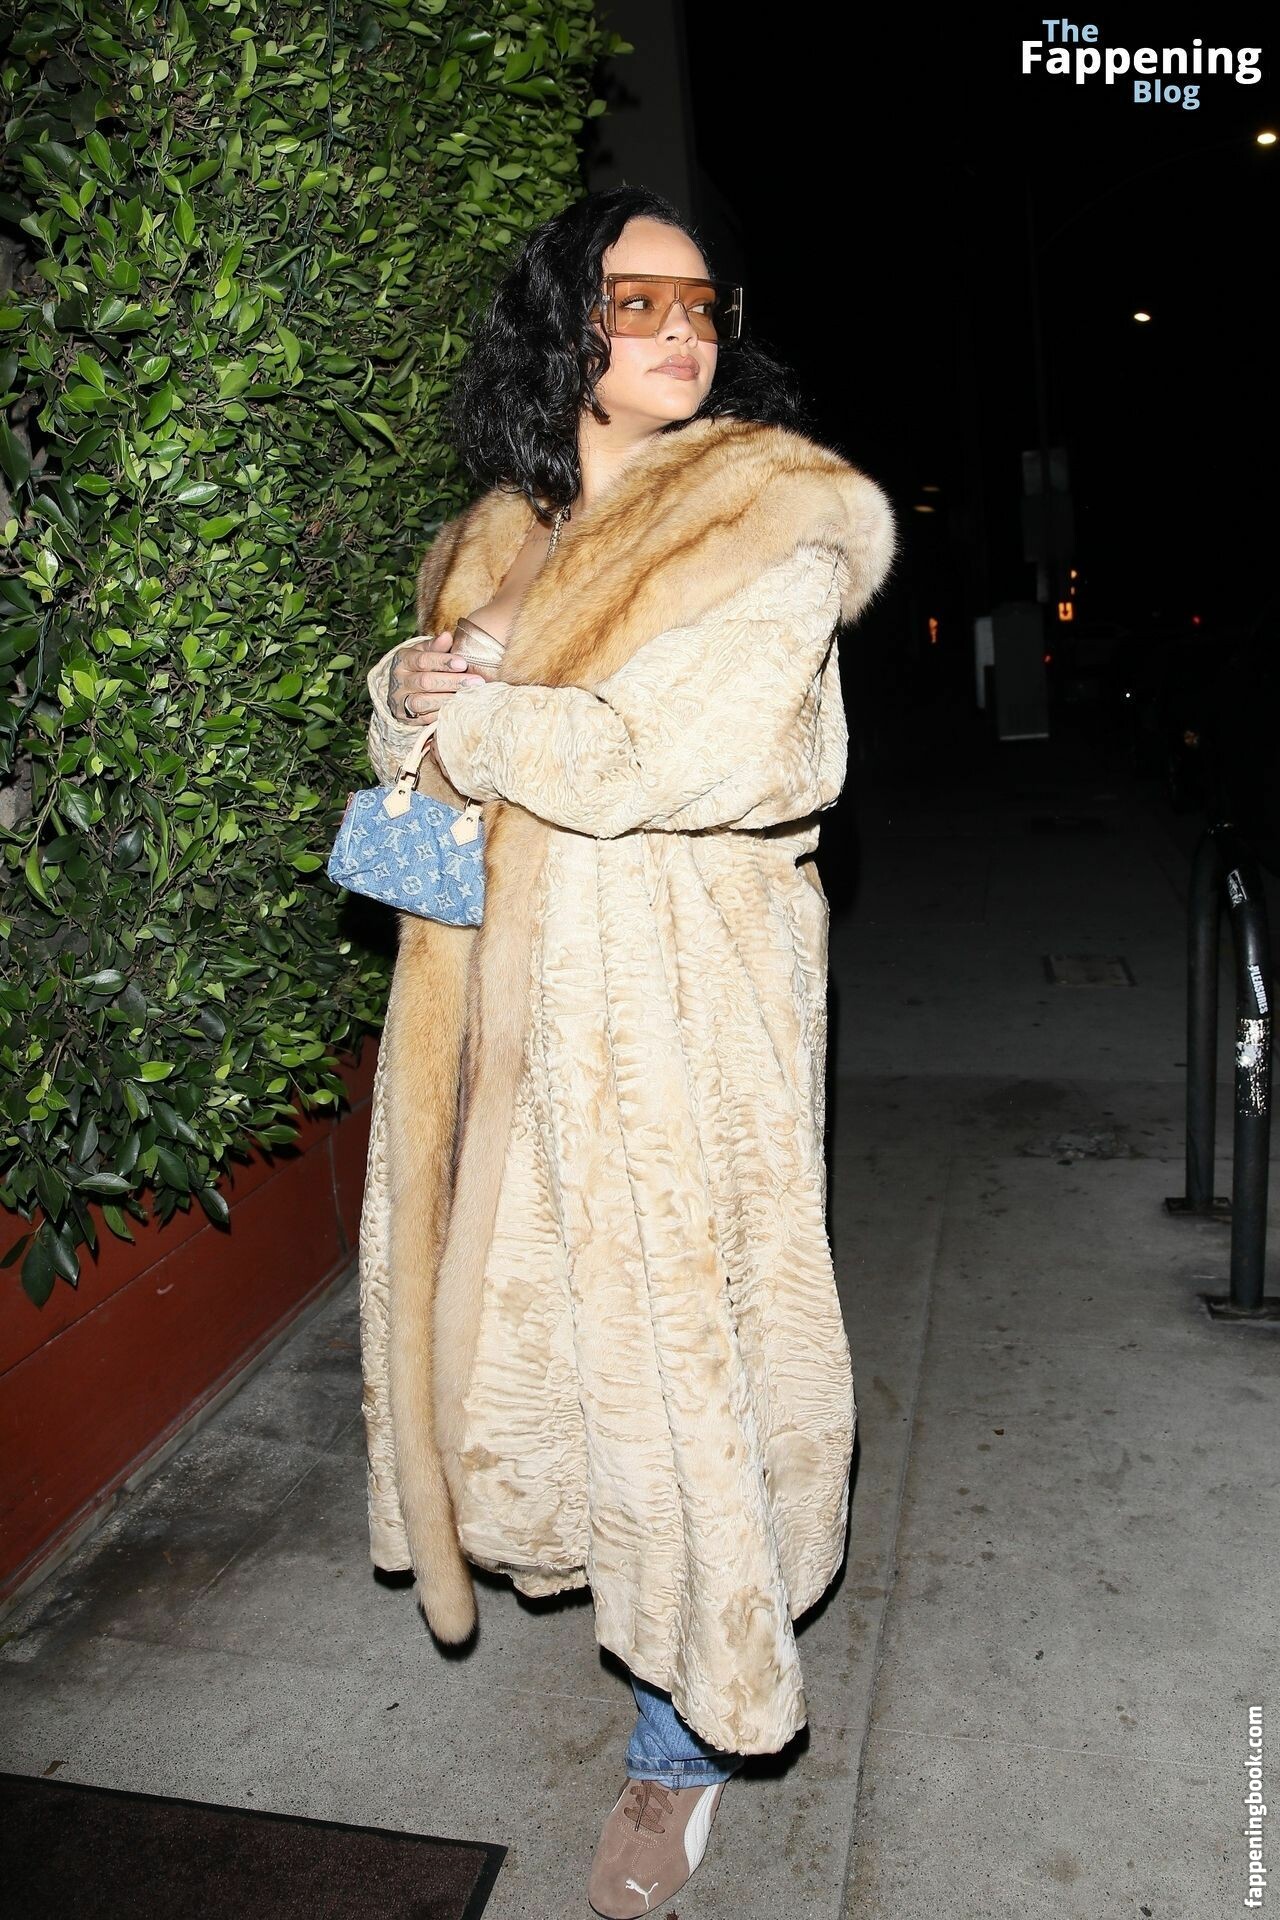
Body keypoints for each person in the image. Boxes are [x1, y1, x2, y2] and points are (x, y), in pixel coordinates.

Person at [355, 185, 895, 1918]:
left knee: (682, 1368)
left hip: (677, 1019)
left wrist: (485, 717)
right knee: (548, 1356)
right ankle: (611, 1593)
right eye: (635, 298)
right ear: (560, 327)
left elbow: (692, 757)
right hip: (496, 1017)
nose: (680, 328)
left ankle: (687, 1741)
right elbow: (425, 730)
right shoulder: (499, 531)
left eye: (700, 302)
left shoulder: (771, 517)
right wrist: (410, 689)